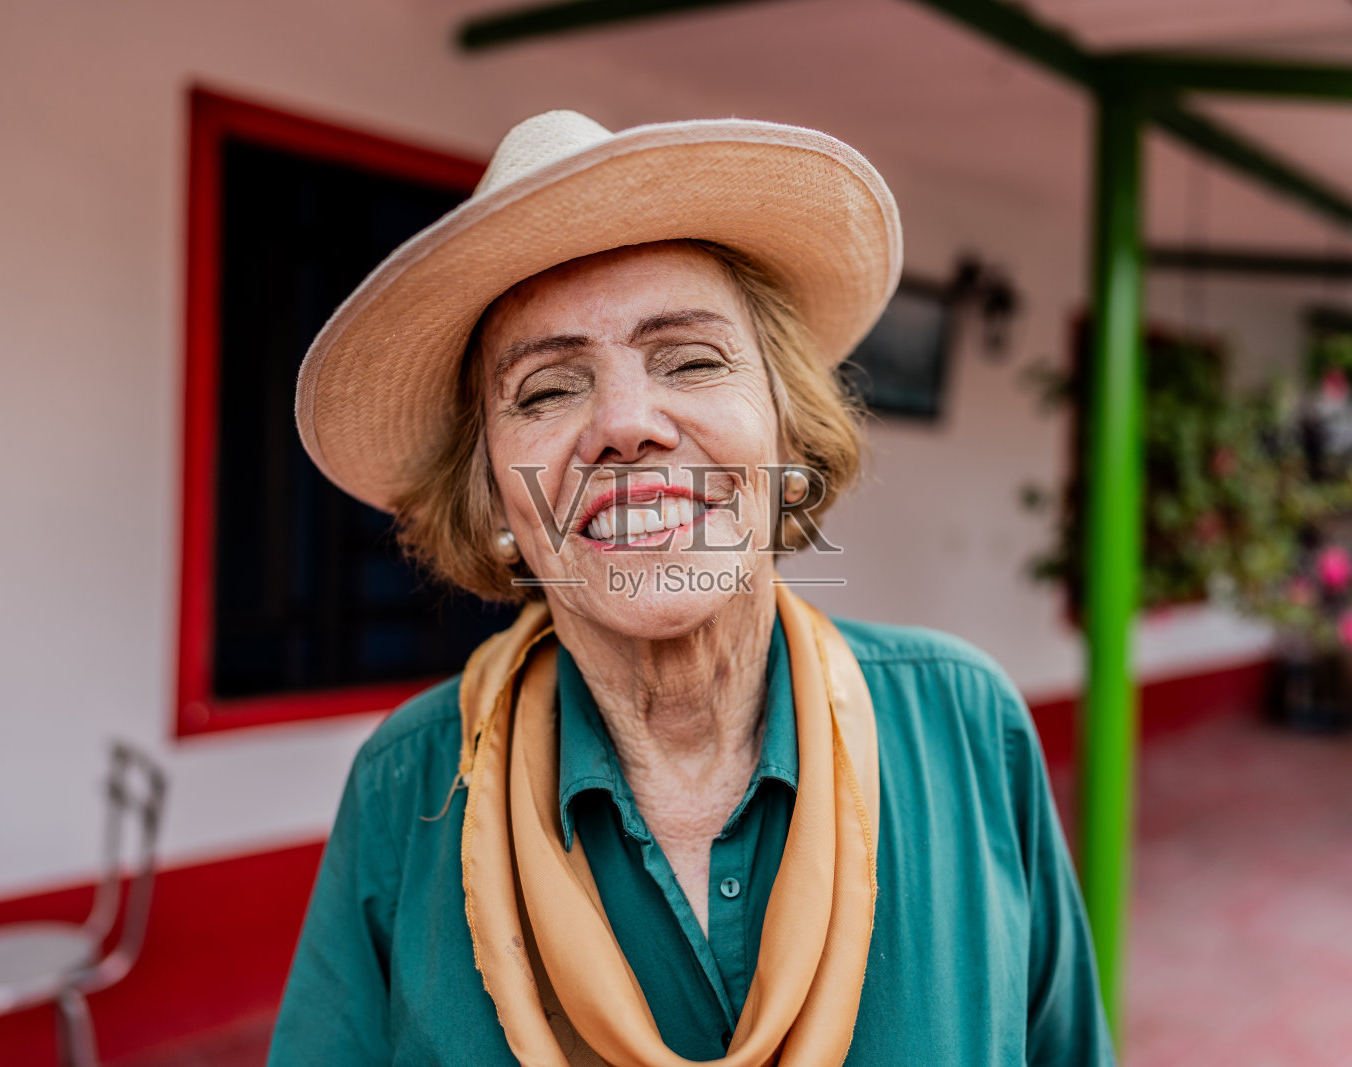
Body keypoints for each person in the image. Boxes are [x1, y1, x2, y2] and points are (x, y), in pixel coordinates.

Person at [270, 109, 1114, 1066]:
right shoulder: (407, 785)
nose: (626, 424)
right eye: (547, 389)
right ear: (495, 497)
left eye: (691, 359)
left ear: (787, 433)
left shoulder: (964, 725)